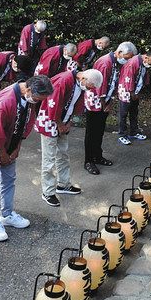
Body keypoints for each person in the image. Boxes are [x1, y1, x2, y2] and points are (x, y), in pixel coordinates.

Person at [0, 76, 53, 241]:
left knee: (9, 179)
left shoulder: (29, 98)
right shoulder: (6, 101)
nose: (37, 102)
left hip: (11, 144)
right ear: (28, 89)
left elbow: (27, 122)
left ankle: (6, 214)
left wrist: (17, 147)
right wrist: (2, 154)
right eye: (36, 98)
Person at [35, 69, 103, 207]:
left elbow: (76, 105)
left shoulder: (80, 84)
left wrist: (69, 122)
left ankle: (63, 184)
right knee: (49, 159)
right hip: (50, 121)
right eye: (90, 87)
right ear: (83, 79)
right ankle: (47, 192)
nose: (89, 90)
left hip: (64, 121)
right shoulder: (64, 81)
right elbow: (53, 104)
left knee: (63, 154)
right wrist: (59, 124)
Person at [83, 42, 137, 174]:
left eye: (130, 58)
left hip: (105, 100)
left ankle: (97, 155)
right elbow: (99, 86)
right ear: (119, 53)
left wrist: (110, 101)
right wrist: (105, 104)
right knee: (92, 132)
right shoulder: (105, 63)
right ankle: (88, 161)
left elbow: (114, 83)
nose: (128, 60)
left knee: (100, 130)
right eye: (127, 57)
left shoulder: (117, 63)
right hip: (96, 101)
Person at [117, 52, 151, 145]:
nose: (149, 66)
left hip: (135, 91)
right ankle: (122, 135)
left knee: (134, 112)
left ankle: (134, 132)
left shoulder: (143, 63)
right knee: (123, 114)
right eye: (149, 63)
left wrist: (139, 91)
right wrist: (132, 93)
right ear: (146, 57)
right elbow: (129, 78)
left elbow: (143, 76)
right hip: (126, 90)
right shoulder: (133, 62)